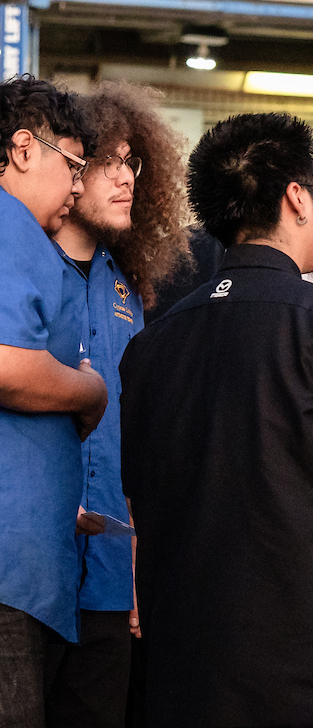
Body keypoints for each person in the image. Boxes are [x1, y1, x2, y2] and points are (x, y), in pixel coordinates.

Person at [119, 113, 313, 727]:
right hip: (309, 666)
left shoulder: (151, 343)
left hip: (181, 669)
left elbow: (138, 501)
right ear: (296, 197)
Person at [45, 81, 190, 728]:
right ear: (69, 165)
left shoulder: (130, 288)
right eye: (109, 161)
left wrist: (136, 565)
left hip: (108, 569)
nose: (126, 176)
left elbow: (133, 441)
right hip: (25, 565)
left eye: (134, 162)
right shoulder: (19, 265)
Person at [0, 74, 105, 728]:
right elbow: (7, 365)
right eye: (71, 165)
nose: (77, 185)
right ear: (21, 148)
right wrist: (89, 389)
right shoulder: (8, 225)